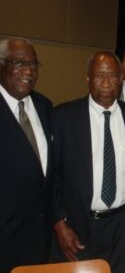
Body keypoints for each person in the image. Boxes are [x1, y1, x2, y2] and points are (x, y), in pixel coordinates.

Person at [52, 51, 125, 273]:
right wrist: (59, 224)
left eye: (112, 76)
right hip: (79, 227)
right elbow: (52, 175)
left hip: (123, 227)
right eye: (98, 76)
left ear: (121, 80)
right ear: (87, 80)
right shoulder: (64, 117)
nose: (105, 83)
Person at [0, 37, 53, 273]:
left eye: (33, 64)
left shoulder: (45, 107)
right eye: (19, 63)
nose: (28, 71)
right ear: (1, 65)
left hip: (40, 243)